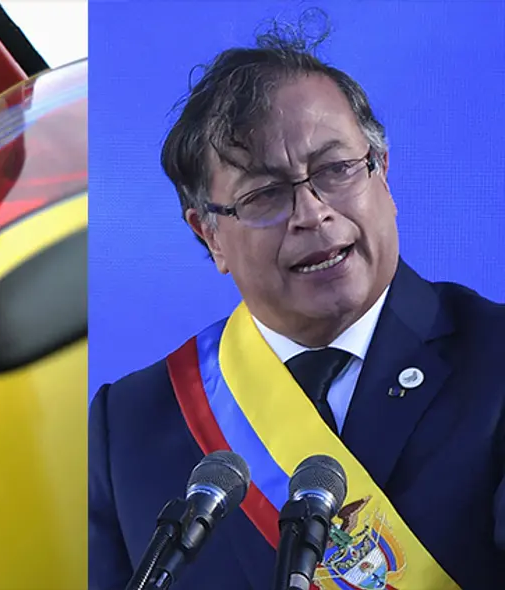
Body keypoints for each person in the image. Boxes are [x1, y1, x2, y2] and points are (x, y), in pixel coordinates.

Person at [89, 22, 505, 590]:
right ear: (209, 236)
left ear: (383, 175)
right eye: (264, 195)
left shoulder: (494, 359)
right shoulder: (127, 428)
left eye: (336, 170)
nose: (312, 212)